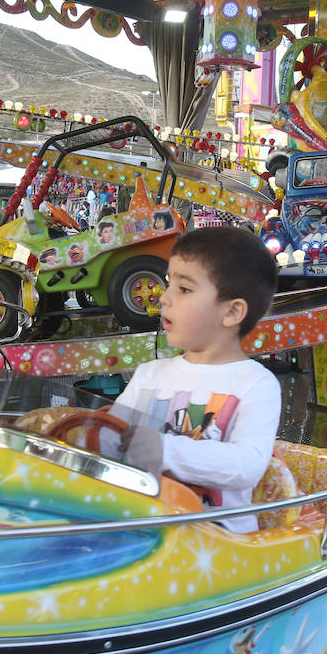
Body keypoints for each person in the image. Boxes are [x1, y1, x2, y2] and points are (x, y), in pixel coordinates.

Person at [110, 227, 281, 533]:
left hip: (222, 544)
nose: (164, 298)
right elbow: (112, 437)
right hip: (146, 526)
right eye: (168, 283)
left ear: (231, 312)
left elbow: (247, 465)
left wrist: (165, 450)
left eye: (184, 289)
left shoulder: (256, 383)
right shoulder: (149, 375)